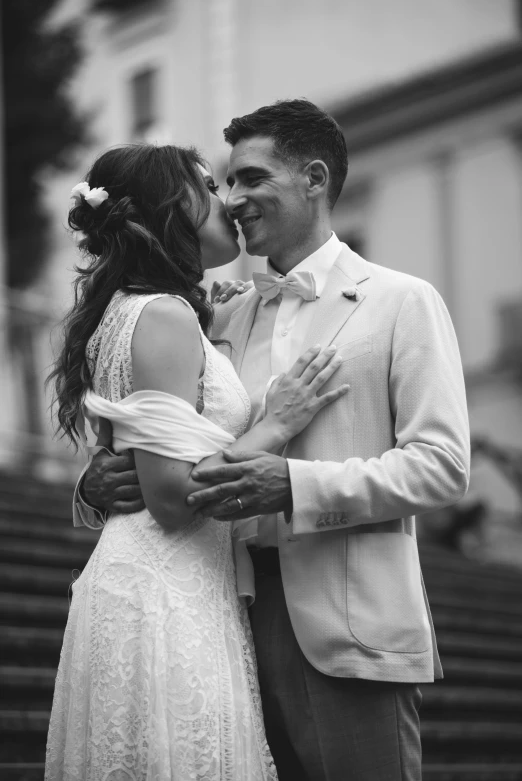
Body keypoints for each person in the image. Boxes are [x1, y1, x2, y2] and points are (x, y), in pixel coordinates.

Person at [78, 100, 470, 781]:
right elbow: (162, 425)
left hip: (347, 623)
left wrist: (296, 486)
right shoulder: (217, 313)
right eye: (225, 182)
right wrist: (93, 481)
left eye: (252, 178)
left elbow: (442, 466)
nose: (232, 198)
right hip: (218, 616)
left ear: (313, 179)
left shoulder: (401, 301)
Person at [45, 143, 350, 780]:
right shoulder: (162, 316)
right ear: (170, 206)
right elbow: (174, 499)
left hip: (174, 582)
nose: (227, 201)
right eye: (208, 185)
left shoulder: (156, 310)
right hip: (165, 591)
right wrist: (276, 423)